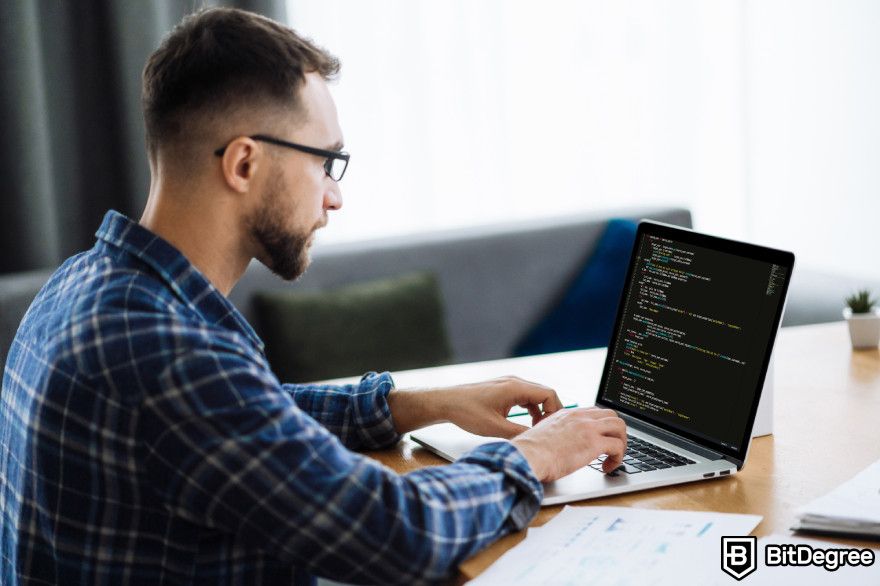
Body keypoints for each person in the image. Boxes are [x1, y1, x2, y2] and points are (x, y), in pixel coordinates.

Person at [0, 7, 626, 585]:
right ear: (243, 164)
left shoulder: (85, 284)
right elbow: (397, 532)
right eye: (326, 161)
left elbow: (247, 413)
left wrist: (420, 403)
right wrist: (537, 453)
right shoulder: (163, 351)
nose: (335, 195)